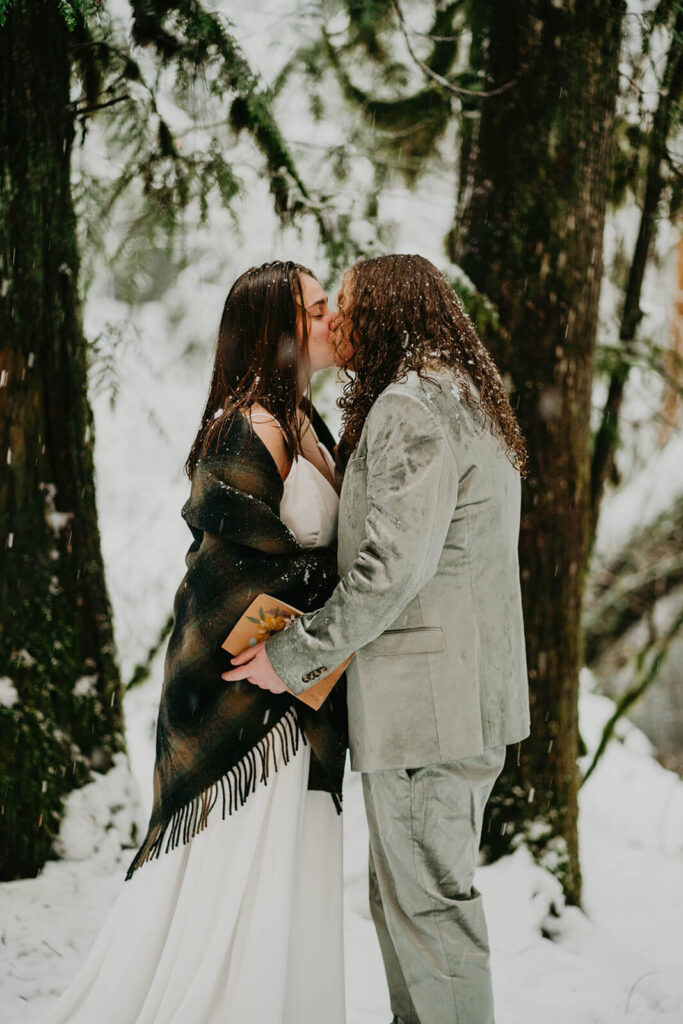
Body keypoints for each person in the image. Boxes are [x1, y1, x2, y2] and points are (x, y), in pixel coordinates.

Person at [225, 253, 531, 1024]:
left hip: (428, 708)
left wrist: (293, 656)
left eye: (346, 305)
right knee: (412, 904)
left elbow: (387, 571)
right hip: (456, 699)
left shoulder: (413, 408)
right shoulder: (461, 397)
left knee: (426, 910)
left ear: (388, 311)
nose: (333, 321)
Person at [46, 261, 348, 1024]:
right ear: (280, 331)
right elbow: (228, 569)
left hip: (289, 685)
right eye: (316, 310)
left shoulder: (311, 424)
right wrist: (334, 599)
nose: (331, 319)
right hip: (238, 690)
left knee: (279, 873)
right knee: (234, 877)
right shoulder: (246, 426)